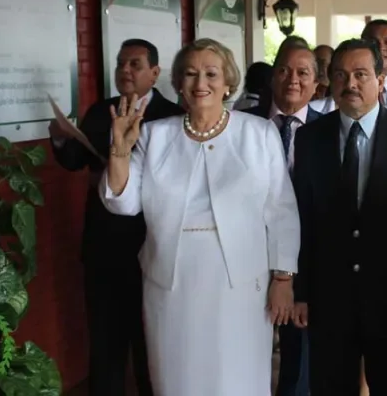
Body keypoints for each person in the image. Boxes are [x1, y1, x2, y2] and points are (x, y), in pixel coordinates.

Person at [98, 38, 300, 395]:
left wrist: (283, 278)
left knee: (237, 378)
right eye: (190, 74)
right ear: (178, 83)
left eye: (211, 73)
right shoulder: (154, 135)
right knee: (178, 379)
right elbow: (123, 203)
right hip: (172, 285)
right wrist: (119, 151)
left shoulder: (258, 133)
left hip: (240, 287)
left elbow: (281, 208)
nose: (200, 83)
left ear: (227, 83)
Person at [292, 38, 387, 396]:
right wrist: (301, 291)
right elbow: (302, 219)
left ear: (380, 78)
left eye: (361, 74)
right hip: (329, 299)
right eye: (341, 75)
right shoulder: (310, 138)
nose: (351, 84)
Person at [50, 38, 183, 396]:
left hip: (151, 242)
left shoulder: (172, 117)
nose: (125, 71)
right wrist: (62, 141)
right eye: (121, 64)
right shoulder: (101, 111)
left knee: (150, 339)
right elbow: (76, 160)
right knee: (105, 337)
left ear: (154, 73)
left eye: (135, 65)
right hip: (104, 241)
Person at [244, 42, 321, 396]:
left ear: (316, 84)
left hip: (304, 262)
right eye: (284, 70)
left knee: (298, 361)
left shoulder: (330, 131)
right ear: (272, 76)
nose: (293, 79)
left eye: (303, 72)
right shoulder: (242, 126)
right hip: (244, 259)